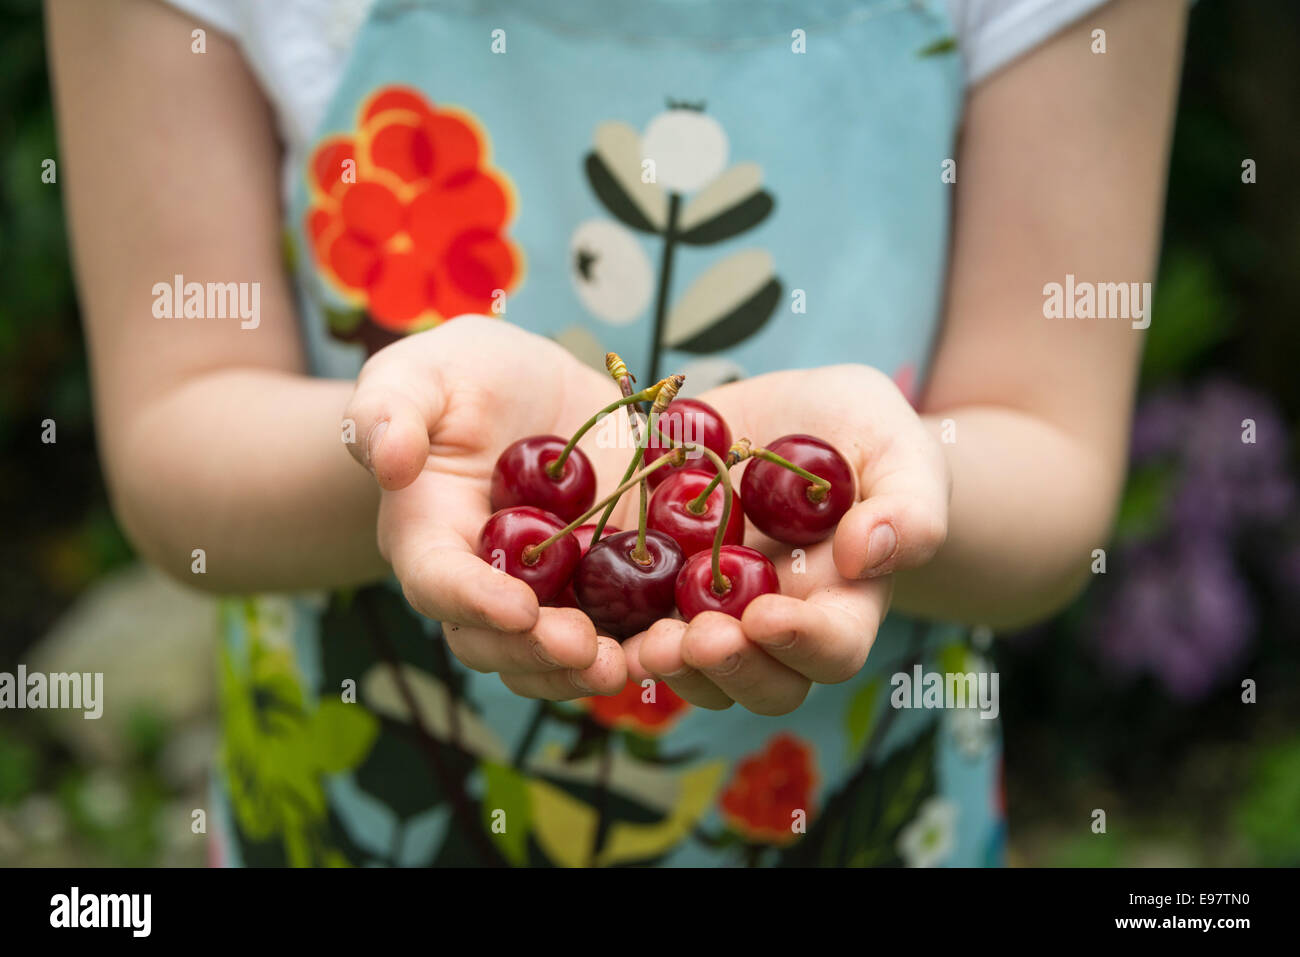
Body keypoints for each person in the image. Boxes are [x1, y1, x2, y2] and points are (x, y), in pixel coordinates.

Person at [45, 0, 1187, 866]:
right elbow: (172, 438)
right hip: (353, 810)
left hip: (858, 816)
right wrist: (409, 467)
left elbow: (1051, 459)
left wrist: (895, 489)